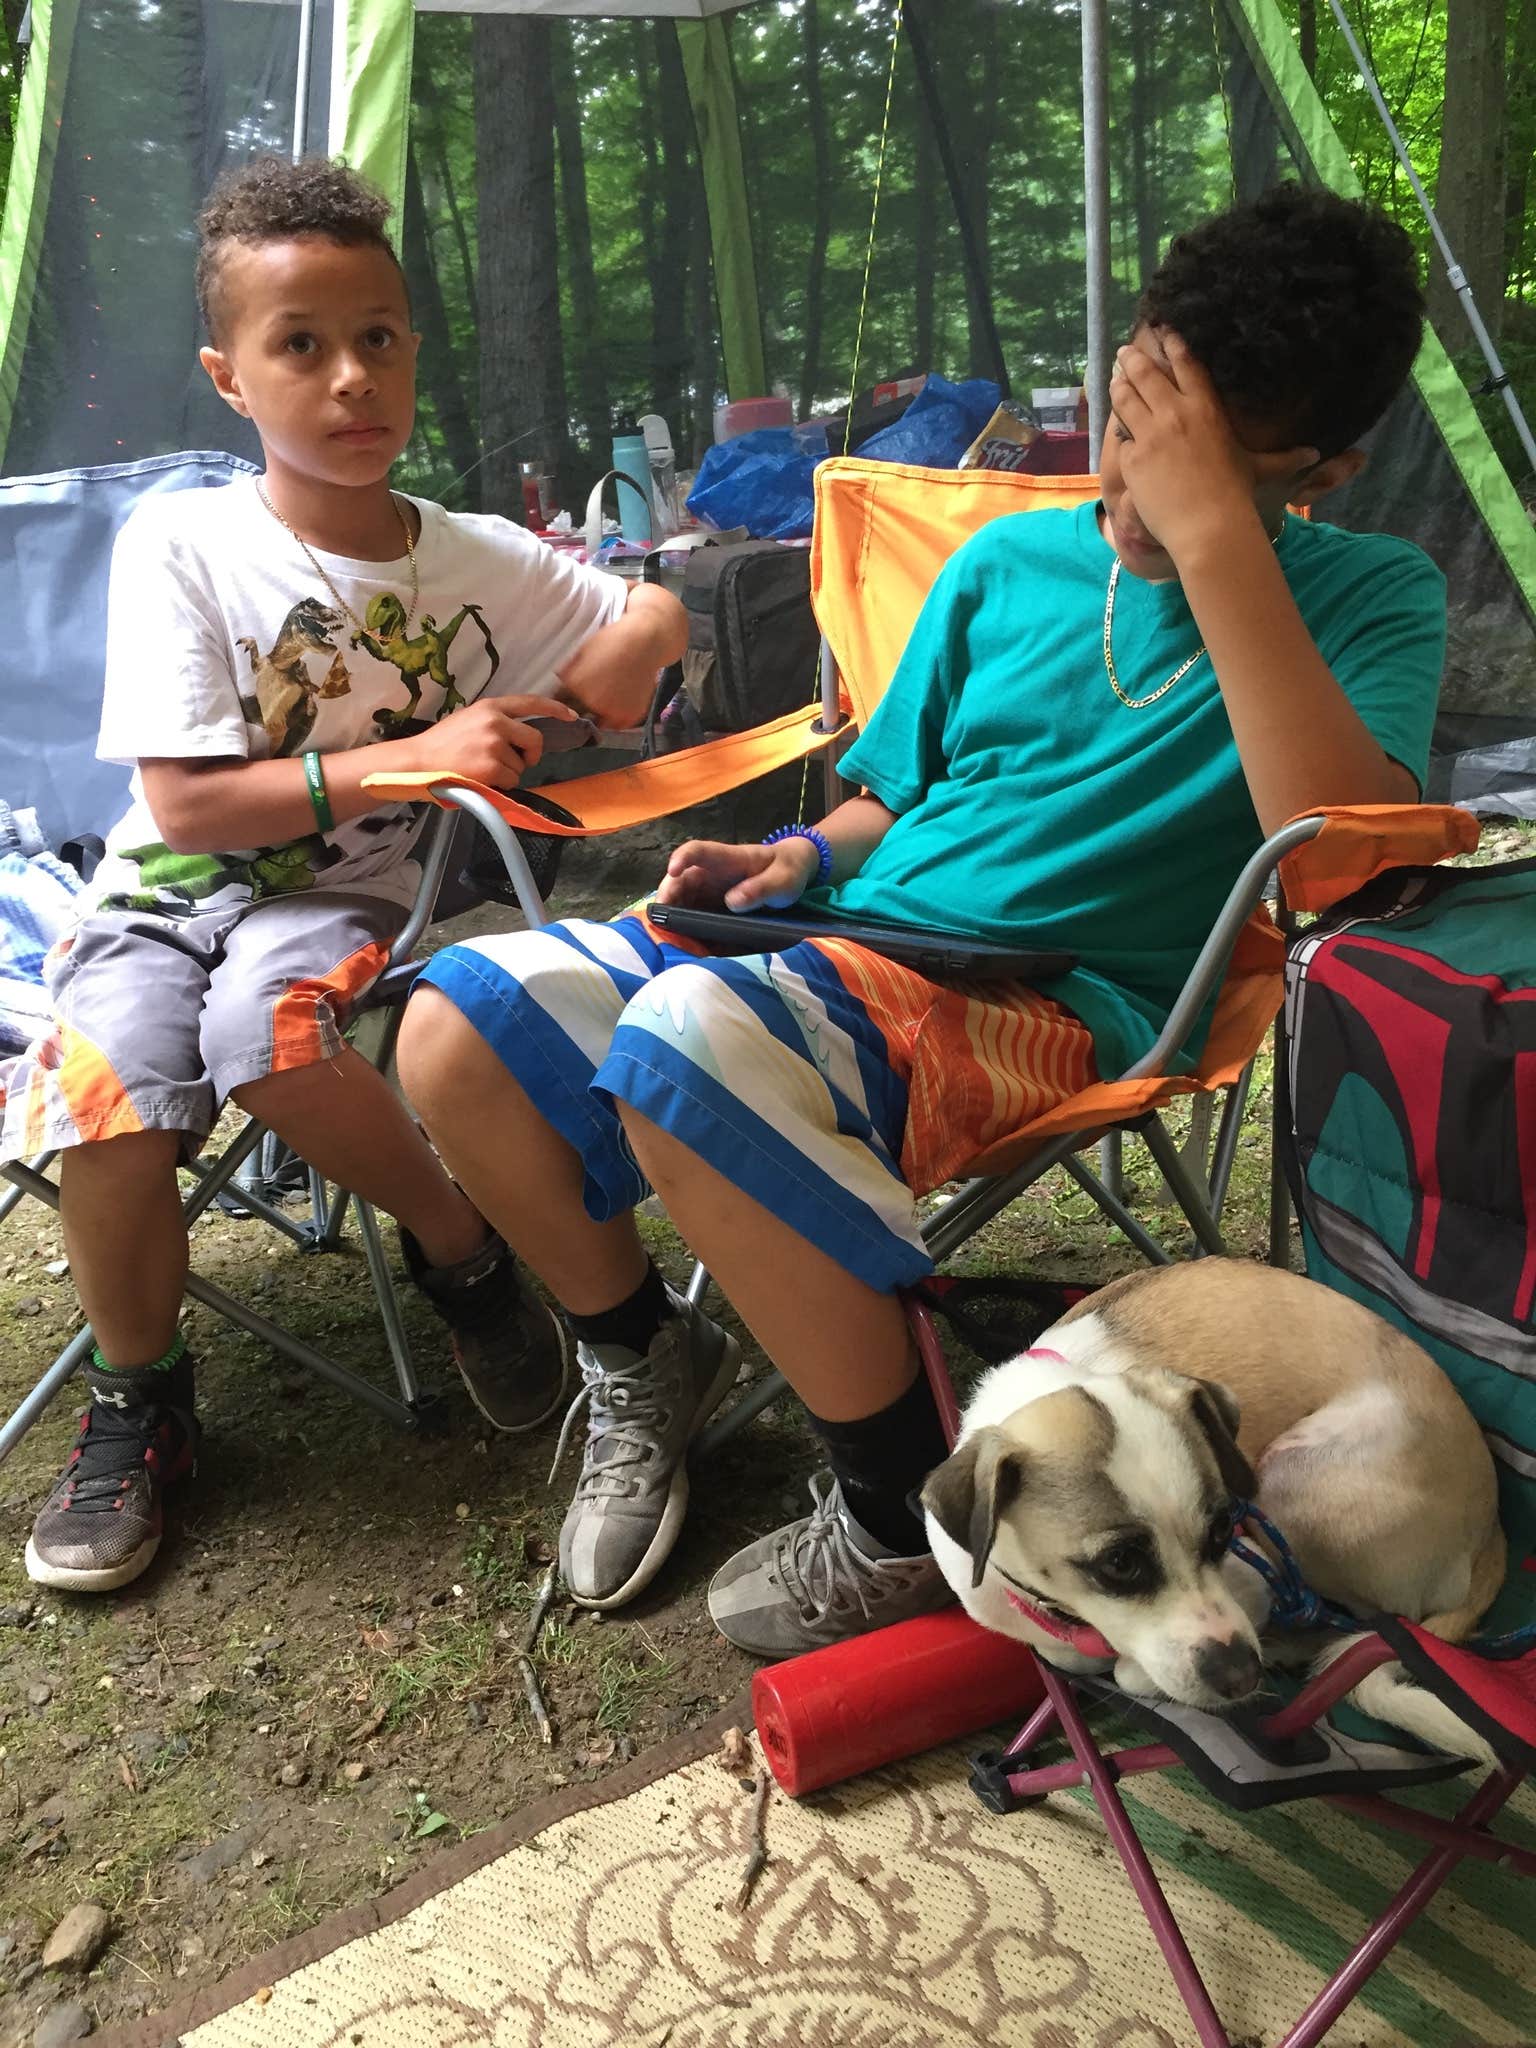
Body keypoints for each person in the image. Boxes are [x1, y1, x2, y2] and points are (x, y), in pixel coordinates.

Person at [393, 184, 1445, 1655]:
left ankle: (901, 1512)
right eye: (1134, 433)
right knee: (455, 1024)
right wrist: (793, 858)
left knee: (687, 1038)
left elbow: (1343, 865)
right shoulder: (1008, 566)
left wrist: (1222, 545)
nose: (1139, 495)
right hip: (836, 942)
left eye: (1202, 469)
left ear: (1322, 472)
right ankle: (641, 1350)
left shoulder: (1374, 598)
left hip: (1047, 999)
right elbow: (891, 796)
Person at [5, 155, 685, 1593]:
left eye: (377, 337)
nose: (351, 377)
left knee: (270, 1032)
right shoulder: (186, 542)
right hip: (161, 887)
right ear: (230, 378)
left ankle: (458, 1252)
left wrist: (637, 640)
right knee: (110, 1083)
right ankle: (140, 1402)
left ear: (413, 350)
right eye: (301, 346)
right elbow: (187, 804)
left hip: (343, 896)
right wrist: (415, 754)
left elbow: (645, 613)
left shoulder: (476, 560)